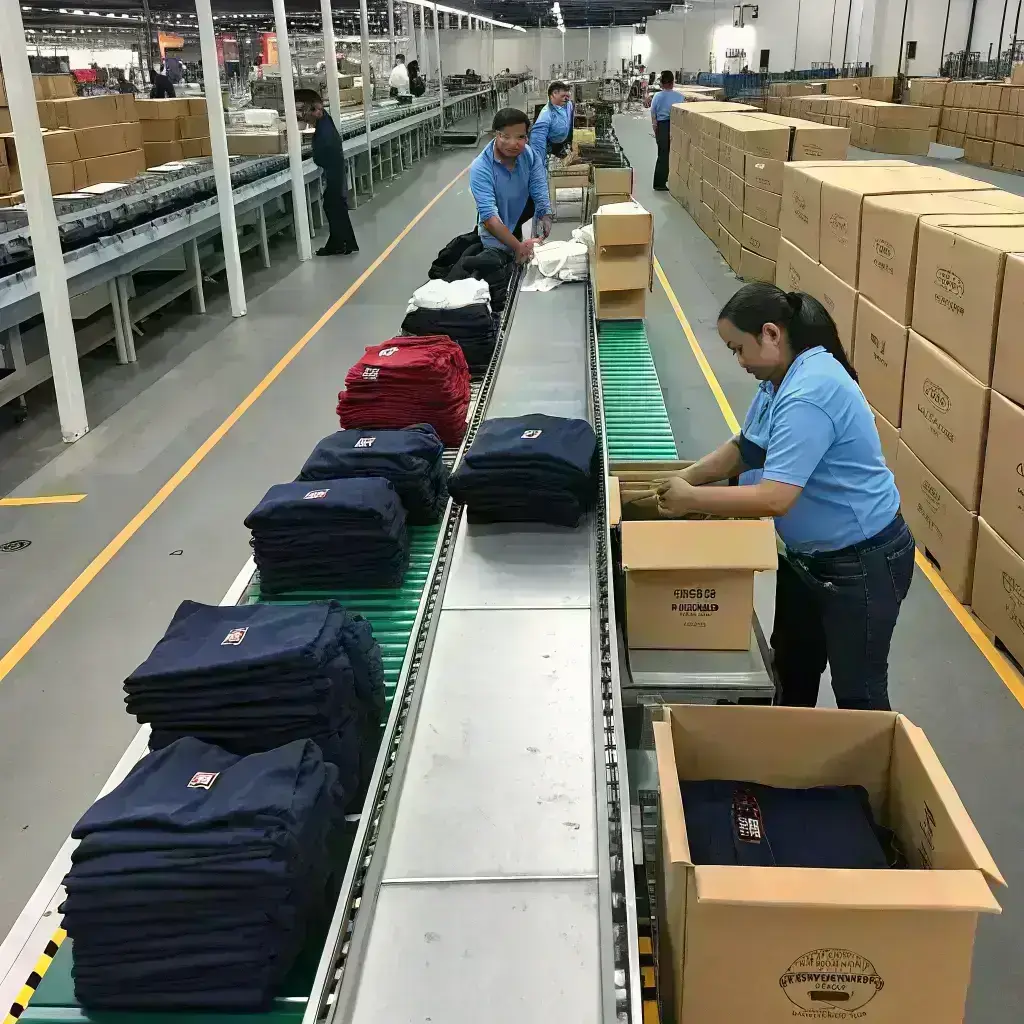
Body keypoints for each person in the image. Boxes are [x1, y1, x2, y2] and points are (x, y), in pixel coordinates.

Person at [648, 284, 914, 712]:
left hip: (860, 563)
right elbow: (747, 448)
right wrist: (687, 477)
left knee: (857, 692)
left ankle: (864, 778)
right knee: (792, 670)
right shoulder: (779, 378)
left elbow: (775, 498)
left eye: (738, 348)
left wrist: (692, 500)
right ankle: (785, 766)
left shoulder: (810, 390)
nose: (738, 361)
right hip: (808, 558)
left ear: (770, 333)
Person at [468, 107, 552, 265]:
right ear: (496, 134)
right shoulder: (481, 168)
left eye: (520, 137)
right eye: (505, 136)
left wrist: (545, 213)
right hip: (494, 236)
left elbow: (538, 186)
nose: (513, 144)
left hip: (517, 220)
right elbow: (489, 218)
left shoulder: (528, 155)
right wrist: (517, 247)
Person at [297, 91, 359, 256]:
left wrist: (316, 158)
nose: (307, 117)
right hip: (335, 170)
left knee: (334, 205)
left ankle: (341, 243)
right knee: (335, 206)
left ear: (317, 110)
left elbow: (324, 152)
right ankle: (343, 243)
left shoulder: (324, 129)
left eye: (308, 112)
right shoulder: (325, 121)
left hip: (334, 171)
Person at [529, 80, 574, 162]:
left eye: (568, 96)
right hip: (552, 149)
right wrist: (539, 162)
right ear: (554, 94)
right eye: (563, 96)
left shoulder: (567, 105)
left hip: (565, 144)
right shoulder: (546, 115)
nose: (567, 99)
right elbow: (537, 143)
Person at [650, 70, 679, 190]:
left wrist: (655, 129)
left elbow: (653, 114)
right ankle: (660, 183)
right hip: (674, 125)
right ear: (673, 82)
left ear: (661, 83)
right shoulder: (679, 96)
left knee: (662, 154)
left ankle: (661, 180)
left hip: (661, 126)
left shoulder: (657, 96)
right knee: (669, 155)